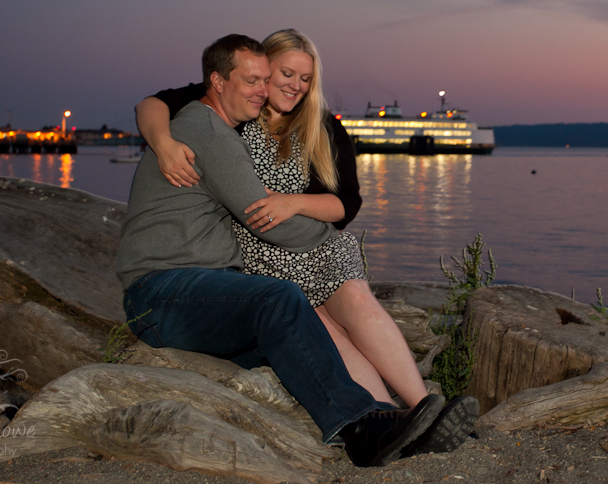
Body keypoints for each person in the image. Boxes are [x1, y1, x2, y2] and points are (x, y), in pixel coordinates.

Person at [135, 29, 479, 455]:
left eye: (305, 78)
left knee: (352, 298)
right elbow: (154, 104)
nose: (284, 86)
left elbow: (348, 202)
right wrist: (162, 141)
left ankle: (418, 410)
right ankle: (384, 416)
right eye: (278, 74)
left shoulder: (318, 126)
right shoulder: (230, 111)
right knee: (313, 318)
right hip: (256, 251)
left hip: (304, 239)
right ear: (257, 70)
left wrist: (300, 207)